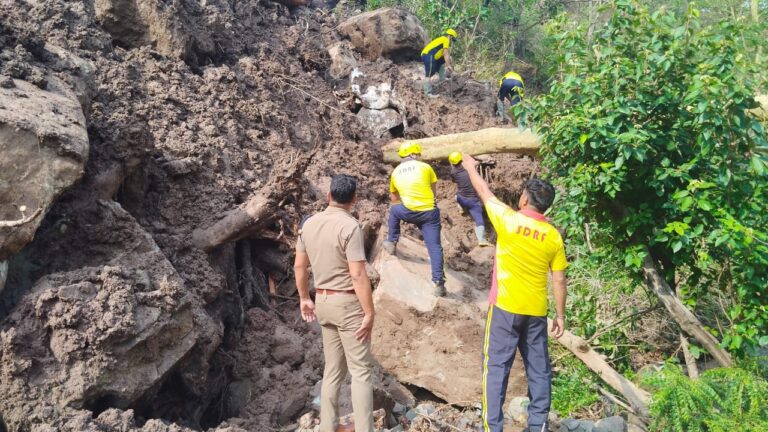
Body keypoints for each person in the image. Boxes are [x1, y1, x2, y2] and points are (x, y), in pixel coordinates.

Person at [460, 154, 568, 432]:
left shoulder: (508, 220)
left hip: (505, 308)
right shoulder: (554, 236)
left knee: (496, 368)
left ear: (523, 200)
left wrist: (470, 166)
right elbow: (559, 280)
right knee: (539, 370)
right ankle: (538, 426)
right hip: (535, 312)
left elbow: (483, 191)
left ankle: (492, 428)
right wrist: (560, 315)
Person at [294, 174, 375, 432]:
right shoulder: (350, 226)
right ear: (354, 199)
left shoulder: (308, 225)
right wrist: (369, 312)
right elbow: (358, 274)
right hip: (348, 303)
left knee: (333, 371)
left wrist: (305, 298)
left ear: (328, 195)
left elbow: (299, 266)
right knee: (361, 372)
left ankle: (328, 427)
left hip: (323, 301)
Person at [382, 142, 446, 297]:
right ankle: (439, 284)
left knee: (394, 210)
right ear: (413, 154)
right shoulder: (426, 167)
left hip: (408, 211)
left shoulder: (396, 172)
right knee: (435, 247)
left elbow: (394, 198)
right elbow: (433, 191)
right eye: (417, 154)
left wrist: (408, 204)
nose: (419, 156)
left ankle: (391, 242)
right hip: (429, 213)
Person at [448, 151, 491, 246]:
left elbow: (455, 180)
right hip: (472, 202)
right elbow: (476, 163)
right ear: (461, 160)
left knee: (457, 195)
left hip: (461, 198)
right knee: (480, 221)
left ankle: (461, 208)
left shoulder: (453, 172)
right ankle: (481, 240)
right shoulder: (469, 169)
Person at [420, 28, 457, 95]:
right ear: (450, 36)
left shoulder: (442, 40)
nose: (452, 42)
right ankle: (428, 93)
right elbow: (446, 53)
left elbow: (445, 56)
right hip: (428, 54)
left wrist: (449, 62)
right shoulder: (445, 39)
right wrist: (449, 66)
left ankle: (442, 78)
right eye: (453, 40)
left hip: (433, 56)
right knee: (428, 75)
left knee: (443, 60)